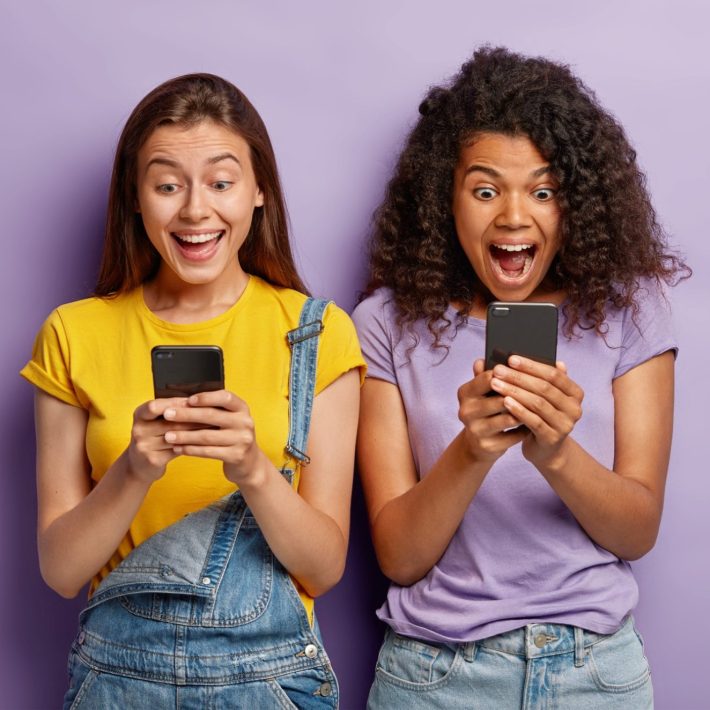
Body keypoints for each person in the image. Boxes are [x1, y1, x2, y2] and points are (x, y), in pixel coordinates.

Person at [352, 46, 689, 709]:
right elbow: (398, 557)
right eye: (485, 190)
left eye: (543, 191)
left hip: (595, 674)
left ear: (577, 202)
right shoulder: (383, 324)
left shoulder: (631, 311)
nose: (512, 216)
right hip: (434, 677)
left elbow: (637, 531)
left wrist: (558, 454)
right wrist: (470, 452)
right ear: (442, 198)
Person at [21, 73, 364, 708]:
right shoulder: (73, 332)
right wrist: (134, 469)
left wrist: (252, 468)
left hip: (270, 682)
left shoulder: (315, 333)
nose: (195, 211)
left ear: (259, 191)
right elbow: (61, 571)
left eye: (221, 182)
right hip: (118, 684)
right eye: (168, 185)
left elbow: (324, 569)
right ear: (135, 197)